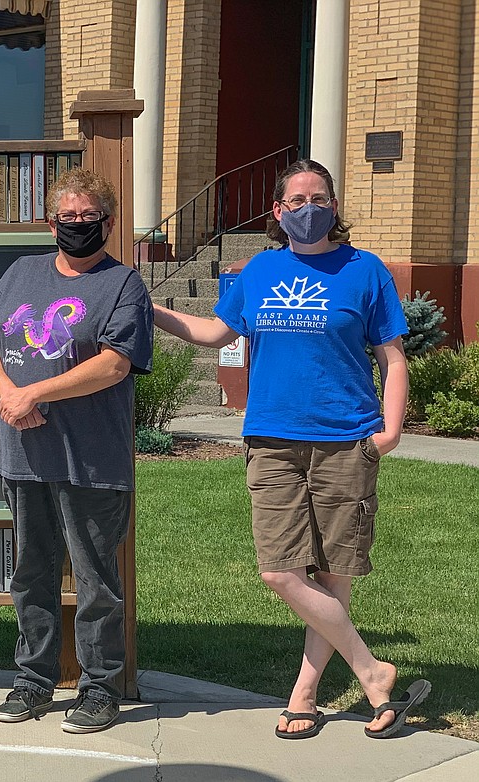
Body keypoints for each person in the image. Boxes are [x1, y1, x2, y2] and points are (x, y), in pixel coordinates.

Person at [153, 159, 430, 740]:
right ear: (278, 212)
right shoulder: (260, 270)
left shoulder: (365, 271)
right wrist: (145, 304)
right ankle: (371, 670)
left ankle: (304, 694)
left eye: (319, 197)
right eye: (297, 200)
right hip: (272, 439)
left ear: (334, 205)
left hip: (345, 440)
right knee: (280, 571)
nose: (309, 208)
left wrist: (391, 429)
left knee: (332, 573)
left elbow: (393, 357)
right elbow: (213, 332)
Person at [0, 167, 153, 733]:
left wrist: (34, 392)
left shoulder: (124, 284)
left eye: (88, 218)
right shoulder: (21, 273)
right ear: (50, 222)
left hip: (91, 457)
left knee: (96, 580)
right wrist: (11, 397)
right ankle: (33, 680)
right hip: (22, 451)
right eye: (67, 217)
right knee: (32, 572)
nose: (77, 226)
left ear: (109, 222)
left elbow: (114, 362)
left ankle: (100, 687)